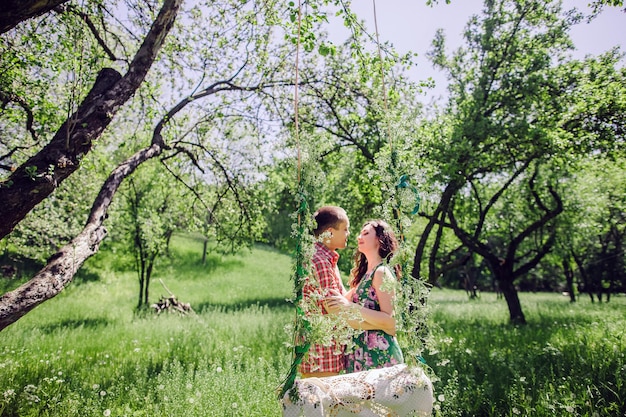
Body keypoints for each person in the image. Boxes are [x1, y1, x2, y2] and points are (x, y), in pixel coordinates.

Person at [325, 219, 404, 373]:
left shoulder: (381, 273)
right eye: (360, 234)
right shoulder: (365, 276)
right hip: (359, 354)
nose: (358, 237)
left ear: (379, 239)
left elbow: (392, 323)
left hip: (380, 356)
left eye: (366, 233)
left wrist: (350, 308)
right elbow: (338, 303)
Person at [299, 205, 350, 378]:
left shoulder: (325, 258)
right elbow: (334, 307)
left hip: (322, 351)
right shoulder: (320, 261)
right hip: (323, 353)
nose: (348, 234)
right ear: (329, 232)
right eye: (345, 229)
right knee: (325, 402)